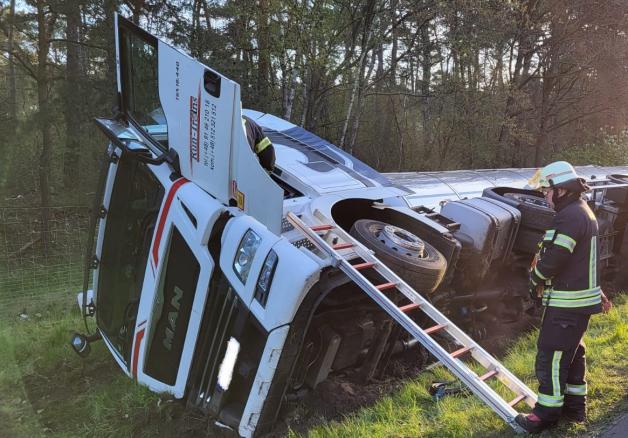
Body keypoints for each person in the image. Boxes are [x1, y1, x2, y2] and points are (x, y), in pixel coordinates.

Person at [516, 161, 612, 433]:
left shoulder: (569, 216)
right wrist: (600, 292)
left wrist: (534, 279)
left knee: (552, 356)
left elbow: (557, 256)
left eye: (547, 191)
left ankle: (544, 416)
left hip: (566, 304)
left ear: (561, 190)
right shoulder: (582, 212)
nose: (545, 196)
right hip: (577, 303)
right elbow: (584, 262)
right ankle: (573, 409)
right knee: (572, 354)